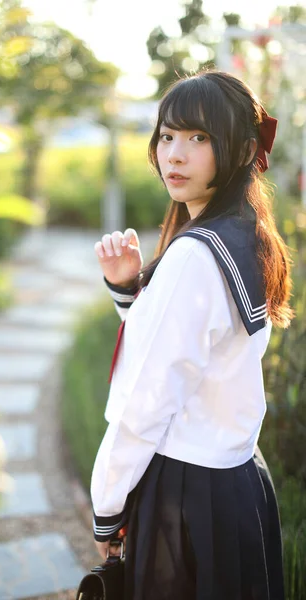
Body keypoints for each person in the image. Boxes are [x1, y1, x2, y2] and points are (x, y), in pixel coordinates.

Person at [90, 70, 293, 600]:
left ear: (242, 150)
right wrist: (129, 289)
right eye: (167, 136)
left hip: (187, 494)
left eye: (199, 138)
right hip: (240, 484)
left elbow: (146, 401)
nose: (174, 155)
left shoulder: (194, 254)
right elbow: (189, 353)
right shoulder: (246, 233)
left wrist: (107, 508)